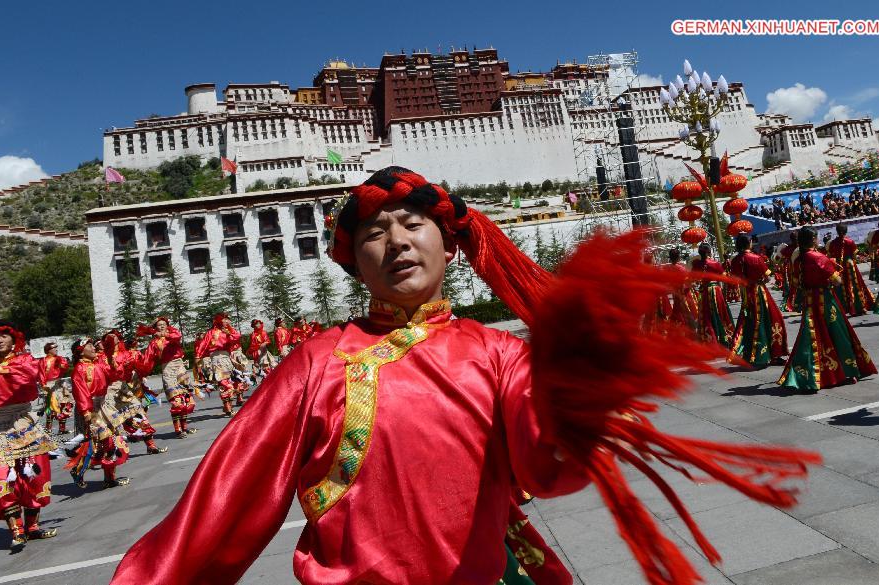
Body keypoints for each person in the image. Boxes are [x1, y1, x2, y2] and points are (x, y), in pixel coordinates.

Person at [112, 167, 818, 585]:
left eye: (411, 224)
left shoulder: (495, 353)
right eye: (373, 233)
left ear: (450, 244)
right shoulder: (316, 363)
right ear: (354, 261)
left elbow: (546, 463)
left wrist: (582, 389)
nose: (394, 241)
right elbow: (221, 505)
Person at [779, 228, 877, 391]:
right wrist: (835, 268)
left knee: (811, 335)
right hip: (826, 299)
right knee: (837, 332)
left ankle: (807, 373)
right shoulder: (819, 258)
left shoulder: (798, 260)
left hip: (810, 301)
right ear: (813, 239)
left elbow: (796, 283)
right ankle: (845, 371)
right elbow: (837, 280)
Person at [0, 321, 58, 550]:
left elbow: (31, 376)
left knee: (35, 476)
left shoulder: (24, 361)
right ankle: (17, 529)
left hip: (24, 421)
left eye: (4, 335)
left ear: (14, 339)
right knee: (1, 478)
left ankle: (32, 527)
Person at [69, 337, 130, 489]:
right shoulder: (79, 369)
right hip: (91, 410)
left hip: (103, 406)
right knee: (98, 445)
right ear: (81, 351)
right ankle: (78, 469)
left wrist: (111, 358)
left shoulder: (99, 364)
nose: (93, 347)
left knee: (111, 444)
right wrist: (86, 413)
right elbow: (80, 392)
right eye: (89, 345)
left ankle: (109, 479)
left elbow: (115, 375)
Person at [728, 234, 789, 367]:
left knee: (748, 321)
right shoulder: (756, 258)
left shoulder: (735, 260)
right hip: (758, 292)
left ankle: (749, 353)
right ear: (749, 243)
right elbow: (767, 278)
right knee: (772, 319)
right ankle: (773, 354)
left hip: (745, 293)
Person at [102, 331, 166, 456]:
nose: (113, 338)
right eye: (109, 337)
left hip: (124, 388)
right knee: (112, 424)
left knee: (140, 415)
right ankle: (102, 455)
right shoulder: (101, 358)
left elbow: (140, 367)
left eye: (114, 336)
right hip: (109, 392)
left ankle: (151, 445)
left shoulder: (126, 354)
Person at [195, 313, 241, 417]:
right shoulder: (211, 332)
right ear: (219, 321)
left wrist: (229, 332)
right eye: (224, 320)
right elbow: (203, 344)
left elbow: (236, 338)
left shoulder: (229, 331)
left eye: (227, 320)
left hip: (227, 358)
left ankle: (228, 407)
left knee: (226, 383)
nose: (226, 322)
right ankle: (228, 408)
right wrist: (198, 356)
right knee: (225, 384)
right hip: (217, 358)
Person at [690, 243, 735, 346]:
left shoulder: (696, 265)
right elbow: (723, 278)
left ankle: (709, 338)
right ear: (709, 252)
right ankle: (725, 336)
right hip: (715, 291)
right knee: (720, 312)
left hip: (704, 291)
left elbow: (694, 280)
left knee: (706, 315)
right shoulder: (715, 263)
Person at [827, 223, 875, 316]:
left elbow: (830, 256)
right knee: (854, 285)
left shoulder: (832, 243)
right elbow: (853, 256)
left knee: (840, 286)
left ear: (837, 231)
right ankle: (858, 307)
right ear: (846, 231)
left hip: (838, 266)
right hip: (850, 266)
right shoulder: (850, 242)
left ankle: (843, 308)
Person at [141, 317, 188, 392]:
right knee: (171, 389)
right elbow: (148, 359)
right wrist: (142, 374)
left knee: (184, 382)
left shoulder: (172, 334)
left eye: (164, 324)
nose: (162, 326)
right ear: (156, 328)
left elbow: (178, 336)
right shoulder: (154, 343)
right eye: (159, 325)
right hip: (167, 367)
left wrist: (164, 334)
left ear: (167, 326)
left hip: (178, 363)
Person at [38, 342, 70, 434]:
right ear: (48, 350)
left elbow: (65, 368)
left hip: (60, 384)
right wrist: (43, 385)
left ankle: (62, 429)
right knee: (50, 407)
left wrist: (61, 365)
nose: (56, 349)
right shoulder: (43, 360)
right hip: (49, 385)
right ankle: (48, 429)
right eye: (54, 348)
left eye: (56, 348)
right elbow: (41, 374)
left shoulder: (59, 359)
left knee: (64, 406)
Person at [667, 248, 698, 334]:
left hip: (675, 294)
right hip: (684, 293)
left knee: (678, 311)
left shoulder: (668, 269)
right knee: (689, 312)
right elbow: (688, 281)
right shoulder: (681, 268)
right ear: (678, 257)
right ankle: (691, 331)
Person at [167, 372, 197, 439]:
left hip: (183, 405)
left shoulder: (184, 387)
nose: (187, 380)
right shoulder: (174, 387)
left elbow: (187, 394)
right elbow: (171, 396)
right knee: (176, 418)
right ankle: (178, 432)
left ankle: (184, 429)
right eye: (185, 378)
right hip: (176, 406)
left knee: (183, 417)